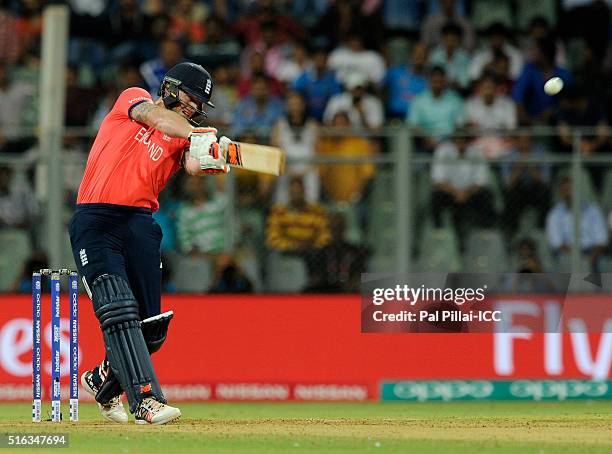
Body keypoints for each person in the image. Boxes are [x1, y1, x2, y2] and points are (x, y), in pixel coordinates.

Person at [69, 62, 232, 425]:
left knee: (151, 329)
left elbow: (194, 165)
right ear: (171, 88)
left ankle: (101, 382)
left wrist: (217, 156)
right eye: (189, 98)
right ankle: (146, 400)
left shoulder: (184, 136)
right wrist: (199, 133)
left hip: (141, 225)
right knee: (118, 305)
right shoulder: (135, 99)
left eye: (198, 104)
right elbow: (159, 121)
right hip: (97, 219)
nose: (192, 108)